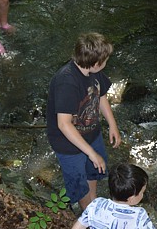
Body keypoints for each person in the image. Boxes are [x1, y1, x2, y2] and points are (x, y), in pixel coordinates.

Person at [47, 32, 122, 210]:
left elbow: (101, 96)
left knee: (93, 172)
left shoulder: (94, 73)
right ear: (96, 63)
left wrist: (113, 125)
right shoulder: (67, 82)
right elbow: (64, 124)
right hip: (68, 144)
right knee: (79, 186)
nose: (106, 63)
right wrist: (91, 153)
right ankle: (87, 215)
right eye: (105, 60)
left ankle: (93, 201)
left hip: (92, 133)